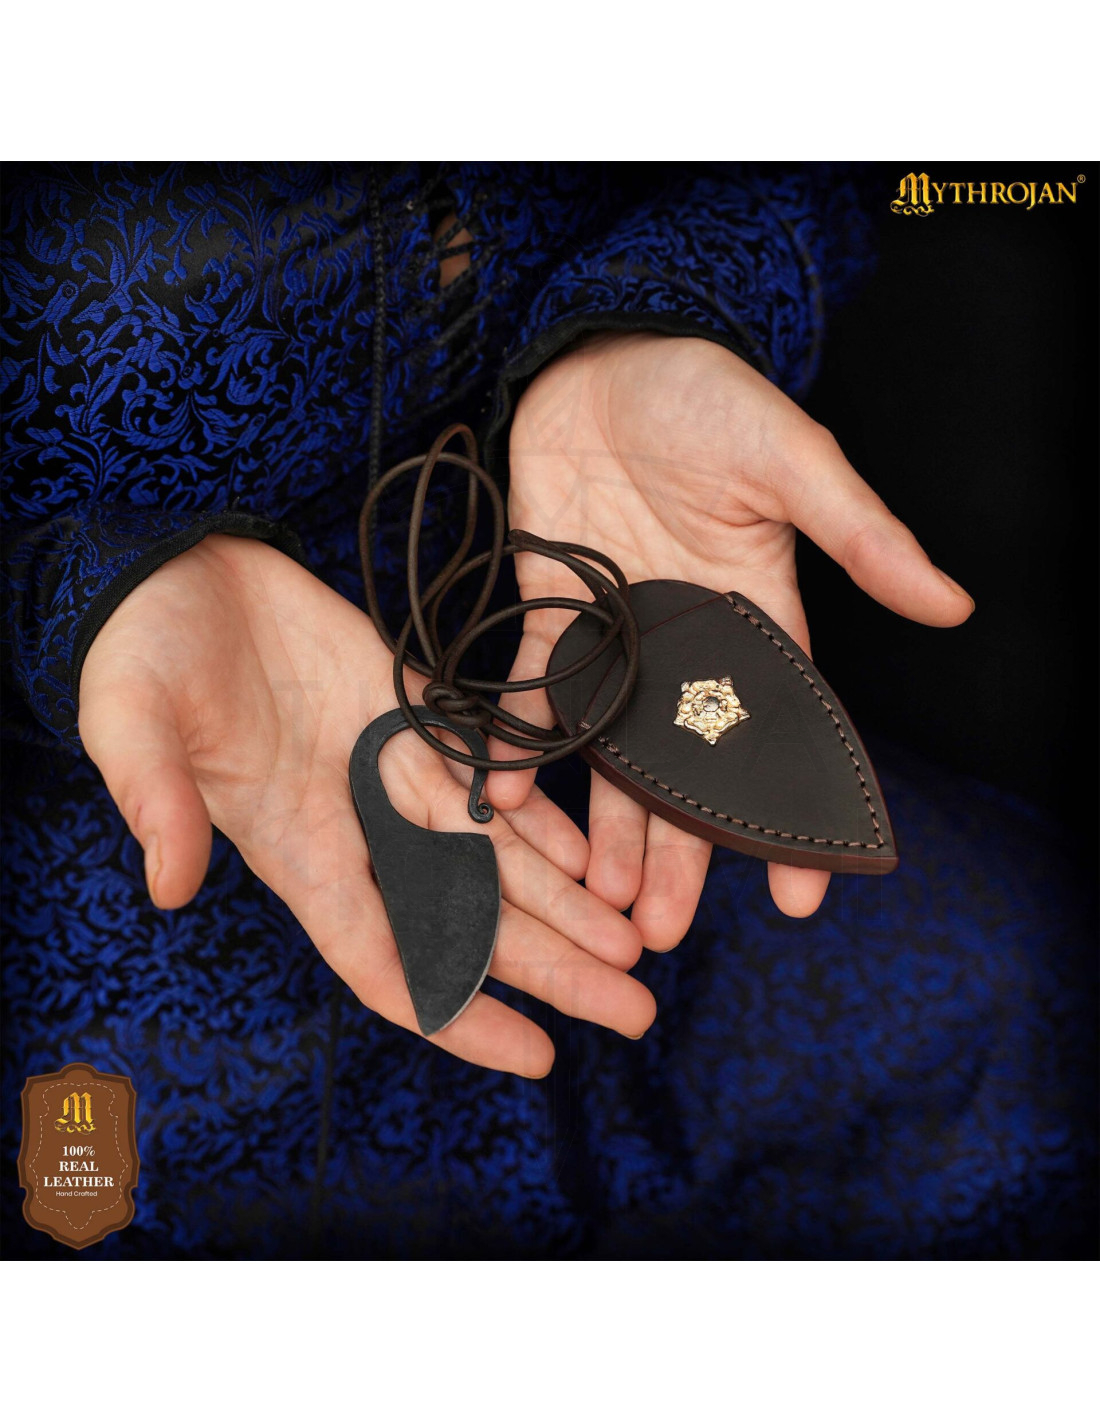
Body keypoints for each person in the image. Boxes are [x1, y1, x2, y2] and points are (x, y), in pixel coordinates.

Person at [3, 163, 1079, 1258]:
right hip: (141, 902)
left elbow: (844, 170)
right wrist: (76, 595)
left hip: (587, 759)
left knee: (1020, 1008)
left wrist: (653, 316)